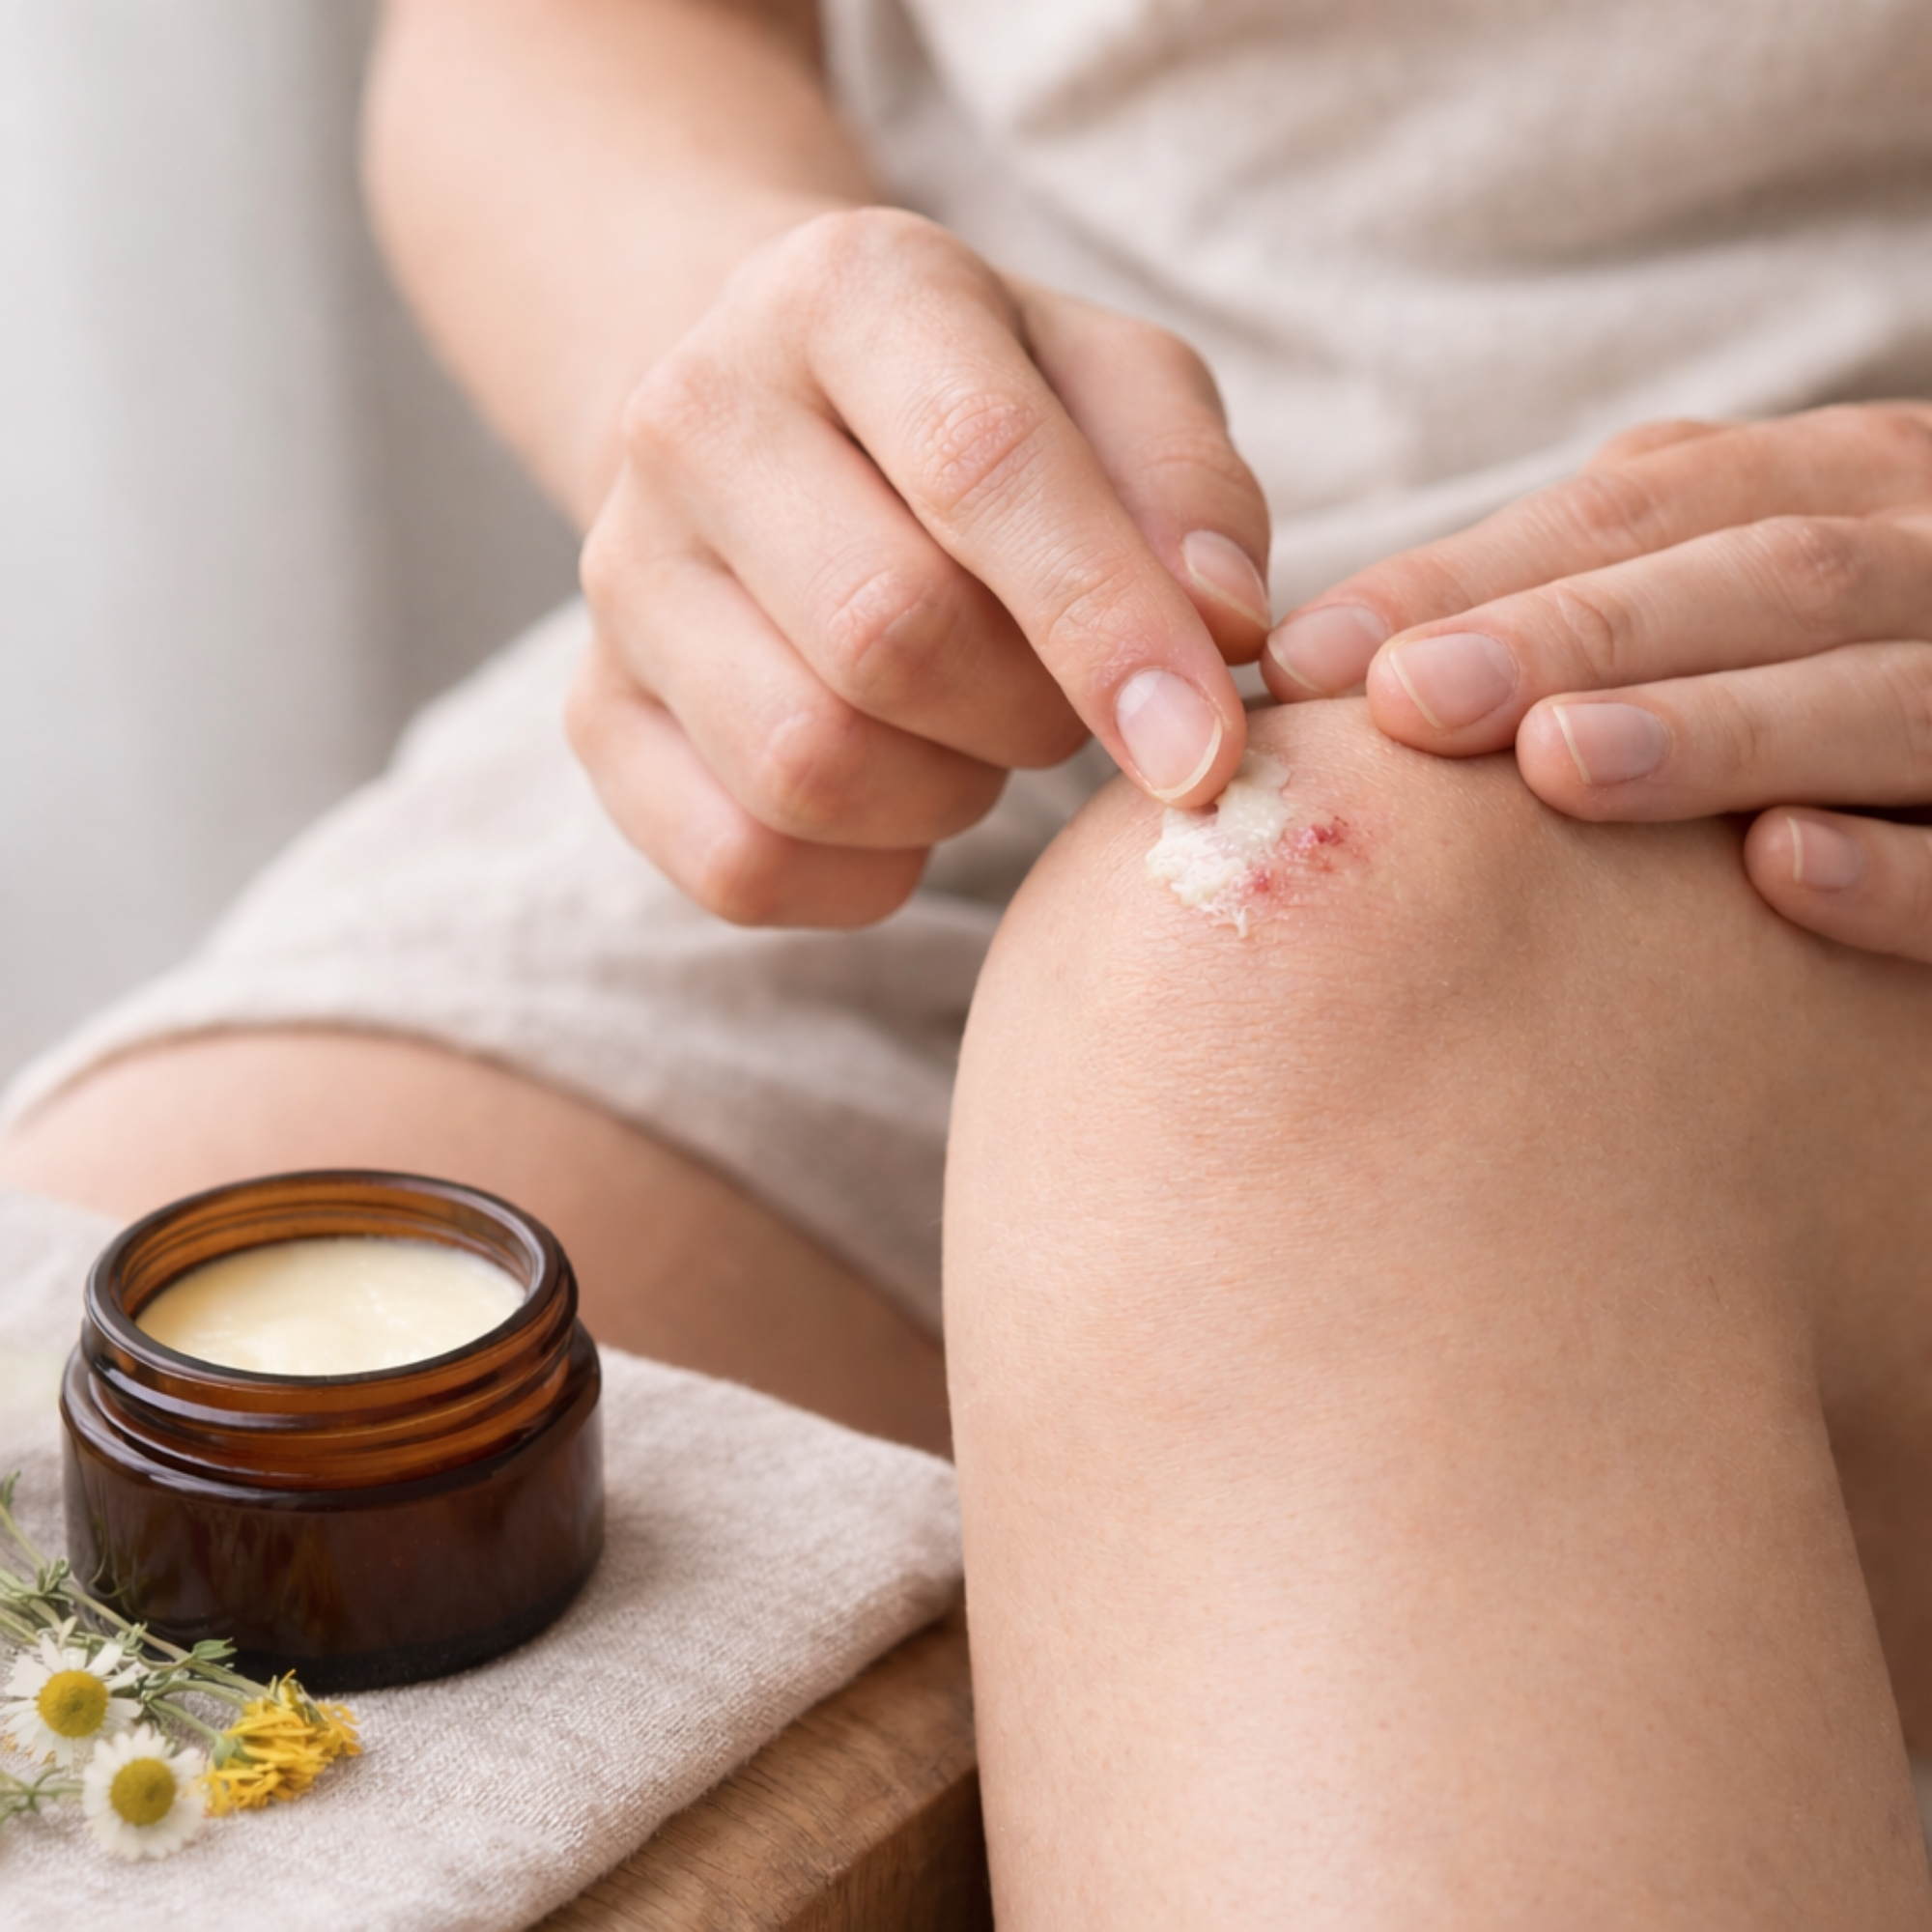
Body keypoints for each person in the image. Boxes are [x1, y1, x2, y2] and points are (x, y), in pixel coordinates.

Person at [7, 0, 1932, 1918]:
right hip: (937, 656)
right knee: (123, 1362)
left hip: (1836, 708)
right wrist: (749, 377)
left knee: (1274, 984)